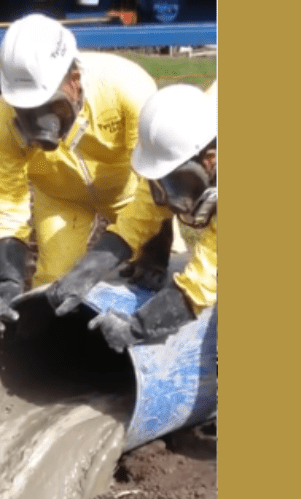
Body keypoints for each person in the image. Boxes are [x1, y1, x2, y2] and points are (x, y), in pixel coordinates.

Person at [0, 13, 170, 333]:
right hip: (59, 198)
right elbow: (6, 202)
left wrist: (156, 248)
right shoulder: (2, 125)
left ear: (74, 79)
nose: (40, 123)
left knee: (158, 282)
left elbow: (156, 182)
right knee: (53, 286)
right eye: (27, 111)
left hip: (131, 193)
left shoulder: (126, 88)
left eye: (49, 106)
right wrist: (9, 280)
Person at [52, 82, 218, 353]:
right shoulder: (189, 141)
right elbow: (133, 223)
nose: (167, 200)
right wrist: (81, 276)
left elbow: (202, 283)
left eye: (175, 184)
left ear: (210, 161)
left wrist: (134, 329)